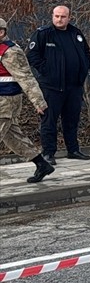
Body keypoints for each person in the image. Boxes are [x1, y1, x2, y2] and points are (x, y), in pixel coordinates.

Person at [27, 5, 90, 166]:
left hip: (74, 86)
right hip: (52, 87)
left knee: (72, 120)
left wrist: (83, 68)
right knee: (49, 121)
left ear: (69, 17)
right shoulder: (43, 34)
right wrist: (47, 70)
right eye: (57, 16)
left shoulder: (76, 33)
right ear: (52, 16)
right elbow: (32, 55)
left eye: (63, 16)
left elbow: (86, 53)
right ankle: (48, 153)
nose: (59, 19)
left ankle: (73, 150)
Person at [0, 18, 54, 183]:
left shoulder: (11, 52)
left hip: (6, 101)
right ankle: (42, 165)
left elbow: (26, 78)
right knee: (13, 137)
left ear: (1, 32)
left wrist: (38, 102)